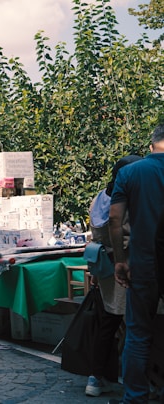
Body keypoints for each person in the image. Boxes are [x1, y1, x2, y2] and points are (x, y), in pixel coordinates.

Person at [109, 125, 164, 404]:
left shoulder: (130, 172)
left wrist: (120, 260)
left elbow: (115, 220)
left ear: (152, 143)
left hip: (143, 264)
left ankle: (135, 398)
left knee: (138, 334)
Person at [84, 155, 141, 397]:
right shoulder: (127, 201)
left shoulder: (99, 198)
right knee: (136, 328)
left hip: (105, 270)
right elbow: (126, 232)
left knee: (107, 325)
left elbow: (96, 235)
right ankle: (137, 383)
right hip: (127, 267)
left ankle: (96, 378)